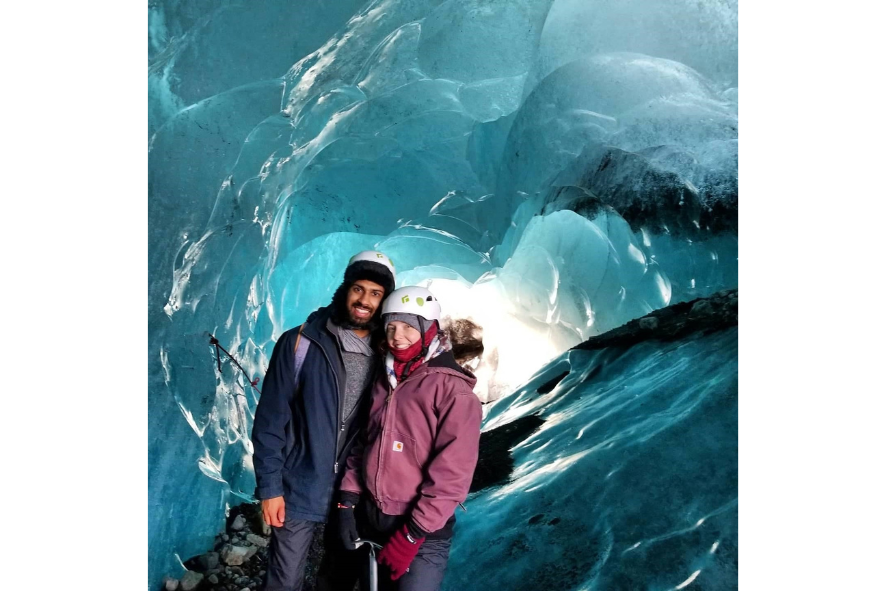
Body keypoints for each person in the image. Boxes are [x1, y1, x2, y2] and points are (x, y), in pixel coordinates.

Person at [251, 251, 396, 591]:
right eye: (358, 289)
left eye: (376, 294)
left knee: (339, 580)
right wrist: (270, 489)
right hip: (299, 484)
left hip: (354, 491)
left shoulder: (386, 356)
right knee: (284, 581)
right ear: (344, 289)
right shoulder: (300, 343)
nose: (365, 300)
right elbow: (271, 421)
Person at [336, 286, 483, 591]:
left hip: (422, 533)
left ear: (428, 330)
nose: (397, 336)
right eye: (390, 326)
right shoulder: (384, 380)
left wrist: (412, 534)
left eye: (407, 327)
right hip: (372, 519)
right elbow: (366, 443)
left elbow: (452, 475)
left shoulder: (454, 392)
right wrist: (347, 503)